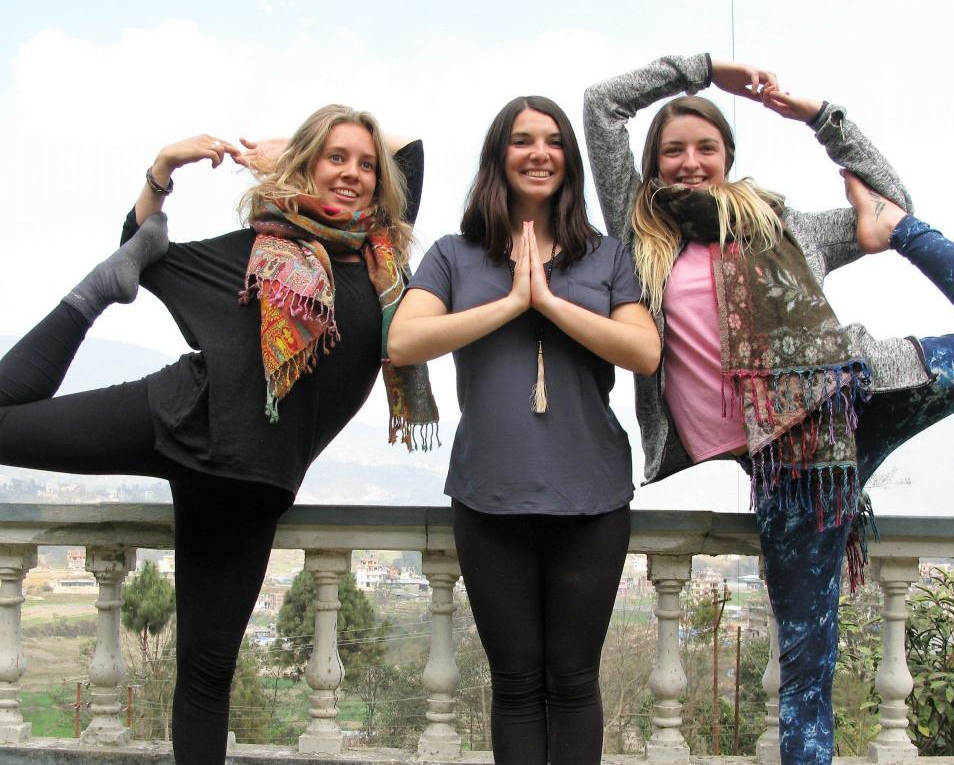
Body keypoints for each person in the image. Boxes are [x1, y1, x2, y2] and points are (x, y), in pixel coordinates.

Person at [584, 54, 954, 765]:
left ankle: (913, 241)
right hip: (793, 470)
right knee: (806, 662)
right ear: (652, 164)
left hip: (860, 394)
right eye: (674, 150)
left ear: (729, 159)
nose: (691, 162)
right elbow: (602, 104)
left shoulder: (783, 225)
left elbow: (886, 195)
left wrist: (822, 118)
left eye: (707, 149)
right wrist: (700, 71)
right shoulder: (641, 238)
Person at [0, 105, 436, 764]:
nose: (352, 172)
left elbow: (411, 146)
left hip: (251, 483)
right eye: (334, 158)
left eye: (364, 164)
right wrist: (163, 167)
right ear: (310, 168)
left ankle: (92, 295)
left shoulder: (381, 260)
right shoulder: (260, 249)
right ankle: (92, 297)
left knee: (207, 673)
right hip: (175, 412)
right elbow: (140, 245)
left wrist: (292, 144)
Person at [389, 96, 660, 764]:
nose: (538, 152)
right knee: (514, 685)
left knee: (571, 683)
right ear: (498, 158)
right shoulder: (456, 256)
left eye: (552, 141)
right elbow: (404, 340)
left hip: (591, 495)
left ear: (568, 159)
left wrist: (548, 301)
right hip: (490, 492)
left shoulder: (605, 256)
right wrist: (511, 301)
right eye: (521, 140)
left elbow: (643, 352)